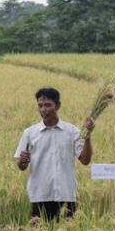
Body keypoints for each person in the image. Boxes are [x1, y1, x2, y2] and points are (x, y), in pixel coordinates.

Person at [15, 87, 94, 221]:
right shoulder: (29, 133)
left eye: (48, 105)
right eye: (40, 106)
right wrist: (22, 162)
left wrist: (87, 135)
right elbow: (22, 166)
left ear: (58, 106)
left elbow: (85, 160)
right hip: (39, 195)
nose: (43, 109)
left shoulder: (73, 131)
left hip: (66, 195)